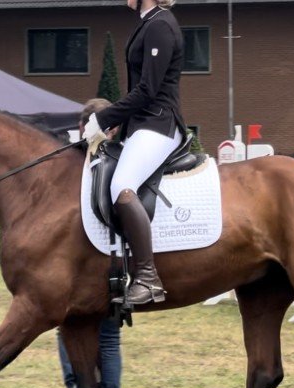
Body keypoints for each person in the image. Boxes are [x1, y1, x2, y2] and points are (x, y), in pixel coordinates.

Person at [83, 0, 186, 305]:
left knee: (121, 186)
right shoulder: (148, 23)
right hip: (142, 124)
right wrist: (119, 124)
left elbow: (148, 90)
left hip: (160, 123)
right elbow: (137, 92)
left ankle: (148, 277)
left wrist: (104, 118)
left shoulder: (161, 25)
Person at [59, 98, 123, 388]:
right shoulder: (123, 161)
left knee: (67, 328)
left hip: (80, 267)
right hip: (115, 265)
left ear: (84, 126)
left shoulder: (73, 164)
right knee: (109, 340)